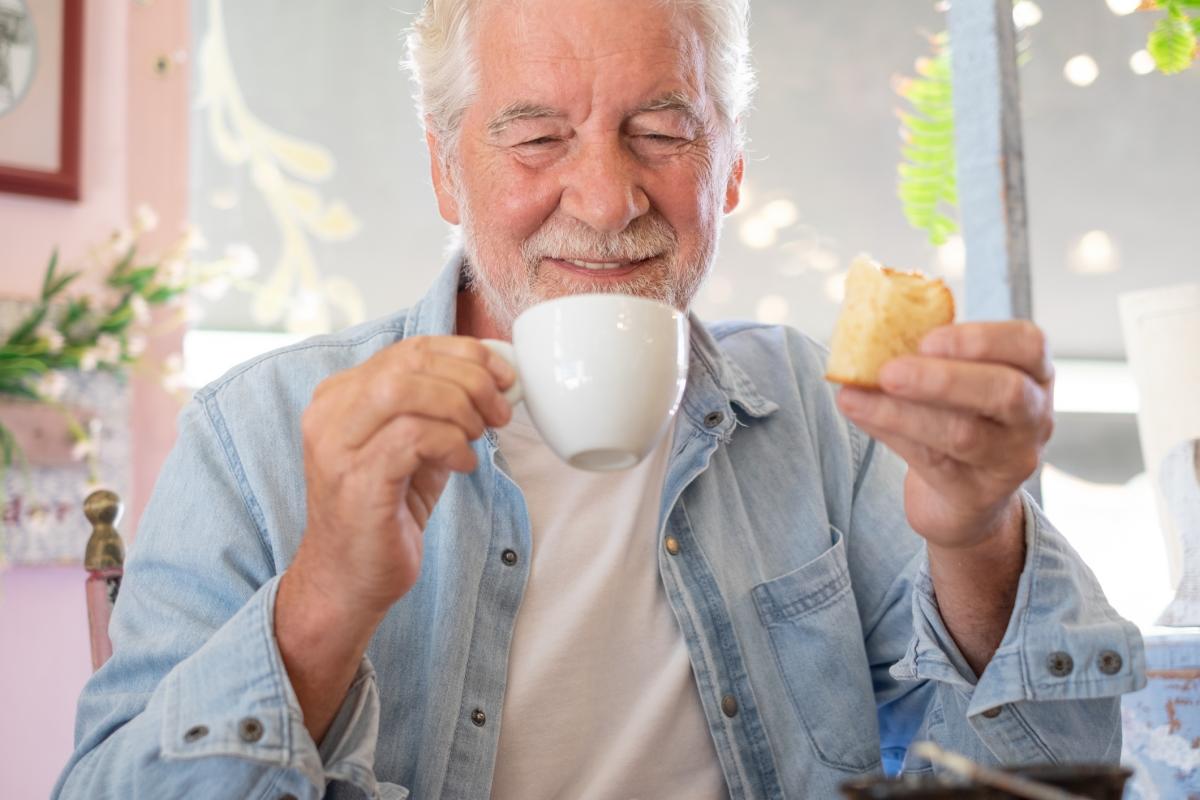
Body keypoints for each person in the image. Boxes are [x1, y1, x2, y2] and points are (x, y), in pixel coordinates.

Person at [55, 1, 1145, 798]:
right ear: (447, 171)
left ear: (727, 169)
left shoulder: (818, 417)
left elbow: (1053, 773)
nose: (608, 197)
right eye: (536, 138)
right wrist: (327, 597)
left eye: (663, 131)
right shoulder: (256, 434)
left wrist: (979, 536)